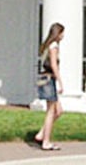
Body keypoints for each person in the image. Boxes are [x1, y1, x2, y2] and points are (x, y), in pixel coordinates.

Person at [34, 22, 64, 151]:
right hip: (49, 79)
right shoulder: (54, 46)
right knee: (51, 111)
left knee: (59, 111)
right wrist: (60, 81)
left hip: (44, 78)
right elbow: (53, 64)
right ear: (58, 33)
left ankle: (41, 134)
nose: (63, 35)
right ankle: (46, 142)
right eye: (62, 32)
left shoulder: (47, 45)